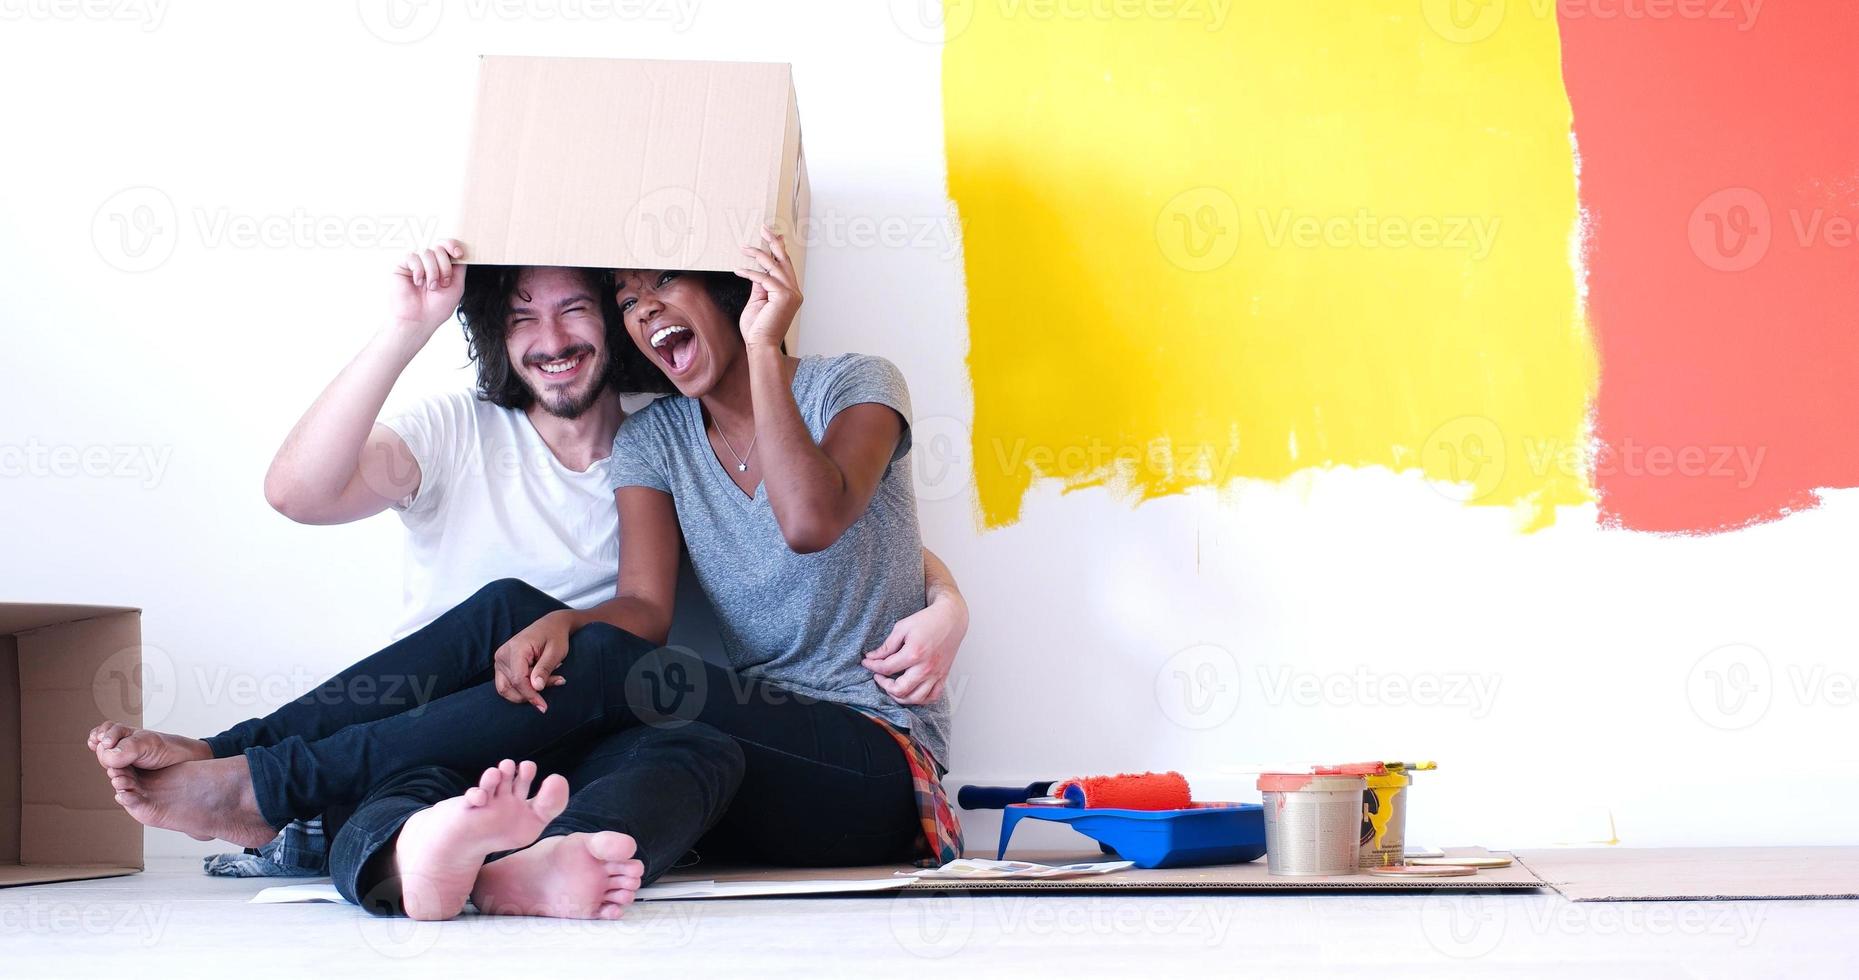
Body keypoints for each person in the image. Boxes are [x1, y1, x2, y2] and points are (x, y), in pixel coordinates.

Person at [90, 239, 967, 916]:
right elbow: (646, 609)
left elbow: (813, 521)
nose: (646, 310)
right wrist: (572, 626)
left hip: (875, 758)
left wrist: (764, 346)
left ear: (730, 288)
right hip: (737, 740)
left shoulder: (853, 382)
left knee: (631, 686)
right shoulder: (656, 440)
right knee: (612, 702)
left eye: (664, 282)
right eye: (628, 299)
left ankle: (267, 786)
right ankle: (518, 869)